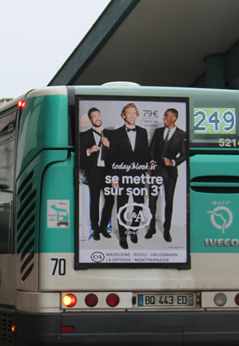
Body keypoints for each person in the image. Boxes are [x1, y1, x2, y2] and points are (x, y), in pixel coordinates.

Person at [104, 102, 151, 249]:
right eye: (128, 113)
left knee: (139, 204)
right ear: (123, 115)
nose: (131, 116)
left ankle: (134, 230)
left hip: (138, 176)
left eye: (134, 113)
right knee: (122, 206)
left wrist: (146, 170)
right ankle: (123, 235)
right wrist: (113, 177)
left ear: (137, 115)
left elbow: (145, 154)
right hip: (122, 176)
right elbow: (111, 157)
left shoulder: (143, 132)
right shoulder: (116, 133)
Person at [145, 108, 186, 242]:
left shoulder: (182, 135)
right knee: (152, 199)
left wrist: (173, 162)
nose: (163, 118)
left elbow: (184, 154)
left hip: (170, 173)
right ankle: (151, 227)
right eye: (163, 115)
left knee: (169, 201)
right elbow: (151, 150)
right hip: (156, 171)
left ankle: (167, 230)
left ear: (173, 118)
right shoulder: (158, 132)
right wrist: (151, 161)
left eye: (166, 116)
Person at [78, 107, 113, 240]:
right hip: (94, 172)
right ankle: (95, 228)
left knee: (110, 200)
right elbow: (80, 157)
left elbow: (118, 154)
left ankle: (104, 226)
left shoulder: (110, 134)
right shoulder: (84, 135)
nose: (97, 118)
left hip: (108, 171)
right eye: (94, 116)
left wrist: (109, 145)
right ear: (90, 119)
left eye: (99, 115)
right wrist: (89, 150)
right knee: (95, 201)